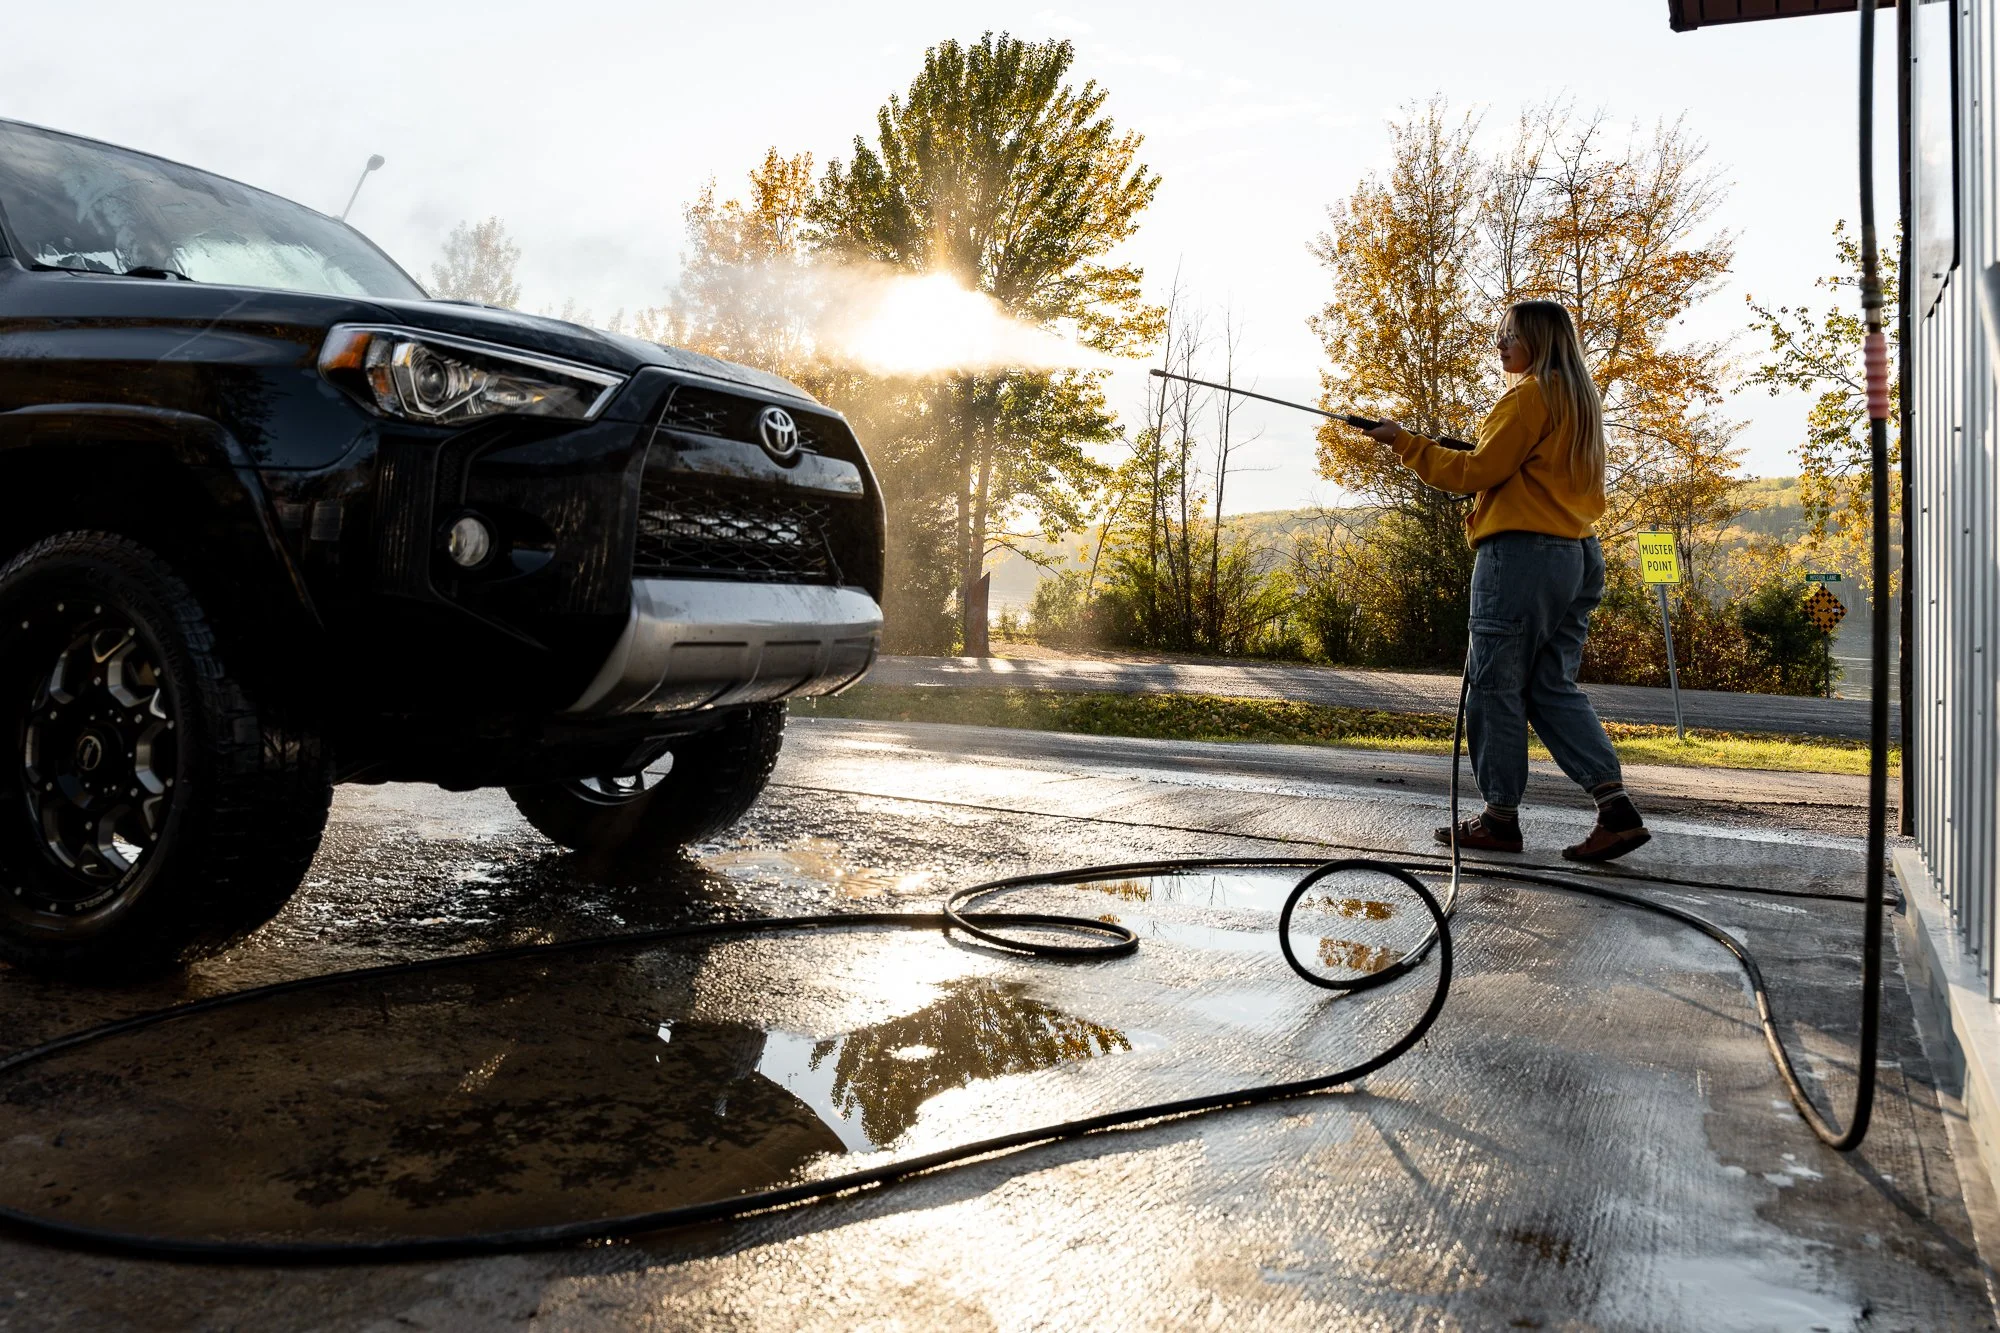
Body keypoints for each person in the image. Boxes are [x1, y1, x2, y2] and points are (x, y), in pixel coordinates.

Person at [1362, 300, 1648, 863]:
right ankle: (1615, 811)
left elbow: (1473, 474)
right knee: (1550, 686)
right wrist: (1476, 452)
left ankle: (1499, 819)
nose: (1500, 345)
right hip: (1577, 554)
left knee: (1494, 686)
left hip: (1521, 557)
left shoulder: (1528, 395)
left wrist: (1404, 442)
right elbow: (1524, 470)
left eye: (1510, 336)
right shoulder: (1579, 401)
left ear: (1538, 342)